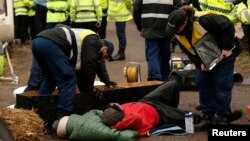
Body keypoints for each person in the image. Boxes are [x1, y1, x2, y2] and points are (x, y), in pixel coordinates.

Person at [165, 6, 242, 131]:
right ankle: (208, 116)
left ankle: (223, 117)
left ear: (185, 22)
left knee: (221, 83)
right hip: (205, 58)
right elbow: (188, 51)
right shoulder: (177, 33)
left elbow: (227, 25)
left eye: (176, 28)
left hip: (225, 53)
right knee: (202, 82)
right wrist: (199, 62)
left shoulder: (203, 20)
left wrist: (227, 47)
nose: (174, 32)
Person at [27, 24, 116, 120]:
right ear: (105, 48)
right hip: (50, 44)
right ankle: (62, 118)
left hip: (38, 41)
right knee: (68, 79)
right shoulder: (94, 40)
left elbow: (97, 64)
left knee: (51, 78)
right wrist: (89, 90)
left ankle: (39, 111)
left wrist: (106, 81)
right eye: (106, 57)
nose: (104, 59)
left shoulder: (91, 43)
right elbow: (89, 67)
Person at [102, 80, 195, 137]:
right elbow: (136, 119)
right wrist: (116, 127)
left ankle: (172, 109)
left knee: (172, 83)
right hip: (159, 113)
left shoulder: (110, 113)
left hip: (147, 101)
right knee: (192, 117)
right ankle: (172, 112)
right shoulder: (125, 122)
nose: (120, 106)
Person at [133, 0, 181, 81]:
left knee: (152, 55)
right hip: (166, 28)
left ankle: (154, 78)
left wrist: (140, 25)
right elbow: (177, 10)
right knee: (165, 54)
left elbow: (136, 8)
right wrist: (173, 27)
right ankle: (165, 78)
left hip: (150, 28)